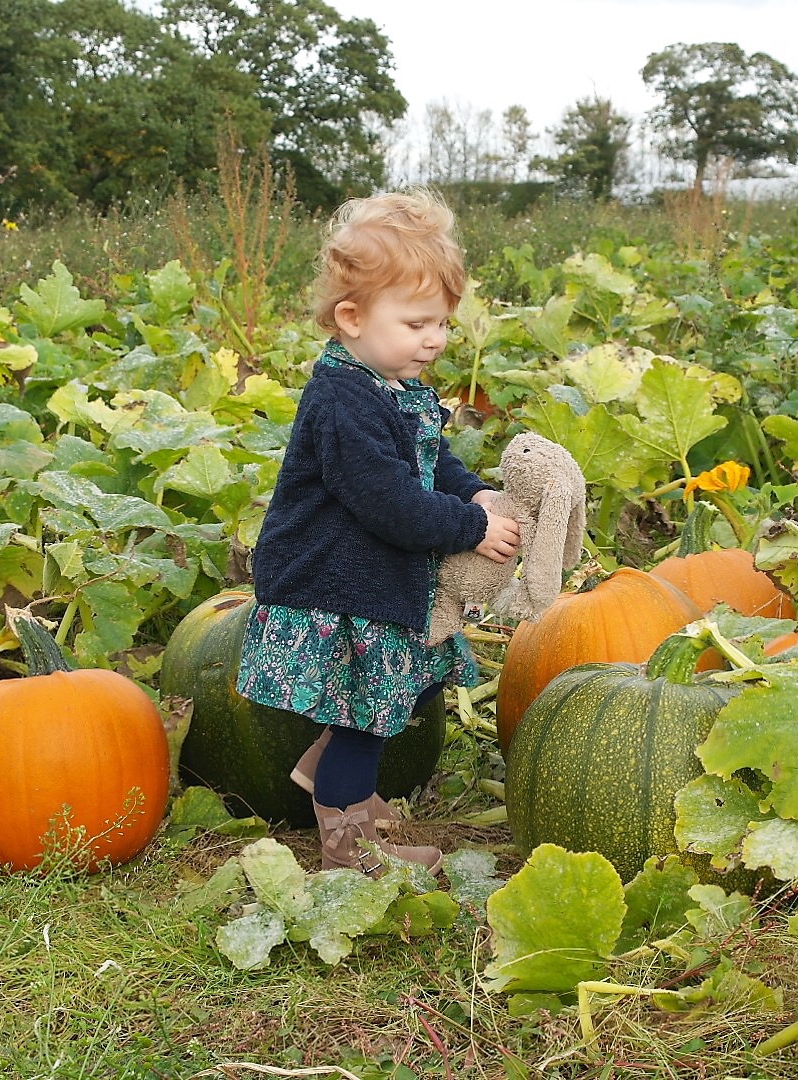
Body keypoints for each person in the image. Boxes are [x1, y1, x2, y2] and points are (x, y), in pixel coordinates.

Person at [236, 190, 520, 877]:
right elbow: (389, 501)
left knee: (415, 681)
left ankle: (323, 771)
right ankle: (349, 843)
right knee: (369, 714)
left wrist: (472, 489)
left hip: (372, 581)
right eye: (418, 322)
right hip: (330, 581)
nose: (435, 339)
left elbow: (430, 459)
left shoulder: (392, 383)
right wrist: (471, 525)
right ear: (352, 317)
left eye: (444, 324)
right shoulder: (341, 400)